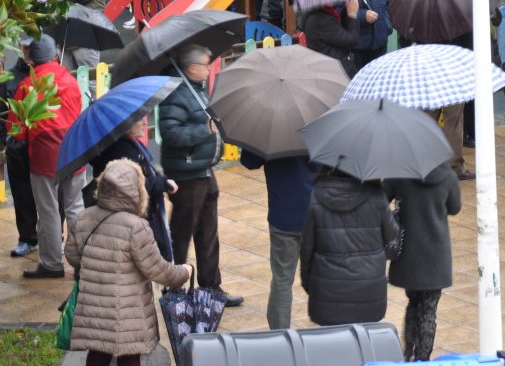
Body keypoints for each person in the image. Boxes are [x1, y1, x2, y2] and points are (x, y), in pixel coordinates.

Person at [65, 160, 193, 366]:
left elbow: (72, 255)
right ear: (136, 190)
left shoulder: (85, 217)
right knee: (129, 356)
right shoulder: (136, 226)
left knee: (97, 354)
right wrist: (184, 272)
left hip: (93, 307)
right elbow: (158, 270)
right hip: (128, 313)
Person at [159, 45, 242, 307]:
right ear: (192, 68)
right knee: (181, 234)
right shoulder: (176, 94)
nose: (209, 70)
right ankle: (173, 287)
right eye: (206, 65)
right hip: (188, 173)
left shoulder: (197, 90)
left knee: (208, 234)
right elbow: (171, 134)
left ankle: (211, 287)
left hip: (205, 171)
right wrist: (204, 131)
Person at [7, 35, 85, 279]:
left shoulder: (27, 85)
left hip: (44, 154)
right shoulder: (69, 80)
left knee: (48, 211)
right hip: (74, 149)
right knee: (75, 207)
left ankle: (52, 263)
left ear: (31, 57)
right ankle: (83, 263)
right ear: (54, 54)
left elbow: (16, 130)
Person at [300, 167, 401, 326]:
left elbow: (307, 248)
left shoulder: (318, 195)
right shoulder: (377, 195)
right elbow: (392, 235)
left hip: (328, 291)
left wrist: (309, 284)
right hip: (369, 290)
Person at [383, 161, 461, 361]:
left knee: (413, 303)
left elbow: (382, 199)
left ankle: (407, 355)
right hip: (436, 254)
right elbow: (455, 207)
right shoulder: (447, 175)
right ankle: (423, 359)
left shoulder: (400, 172)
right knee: (428, 311)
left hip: (409, 253)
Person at [239, 151, 316, 329]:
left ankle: (280, 334)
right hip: (318, 211)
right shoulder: (321, 124)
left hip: (284, 214)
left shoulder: (268, 127)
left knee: (282, 279)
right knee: (322, 274)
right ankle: (328, 330)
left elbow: (249, 162)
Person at [84, 119, 175, 262]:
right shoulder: (123, 149)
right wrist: (162, 183)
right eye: (139, 120)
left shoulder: (118, 145)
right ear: (125, 124)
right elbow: (135, 186)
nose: (145, 124)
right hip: (127, 216)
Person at [3, 51, 37, 257]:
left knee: (51, 197)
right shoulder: (10, 77)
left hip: (44, 142)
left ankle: (53, 236)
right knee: (22, 195)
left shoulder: (52, 75)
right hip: (18, 143)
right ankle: (27, 238)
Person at [303, 0, 361, 78]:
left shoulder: (319, 12)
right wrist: (352, 15)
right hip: (334, 71)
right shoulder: (320, 19)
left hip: (330, 67)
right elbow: (351, 40)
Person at [353, 0, 392, 71]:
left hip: (380, 43)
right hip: (360, 46)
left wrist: (387, 26)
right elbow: (343, 13)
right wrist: (363, 16)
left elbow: (387, 3)